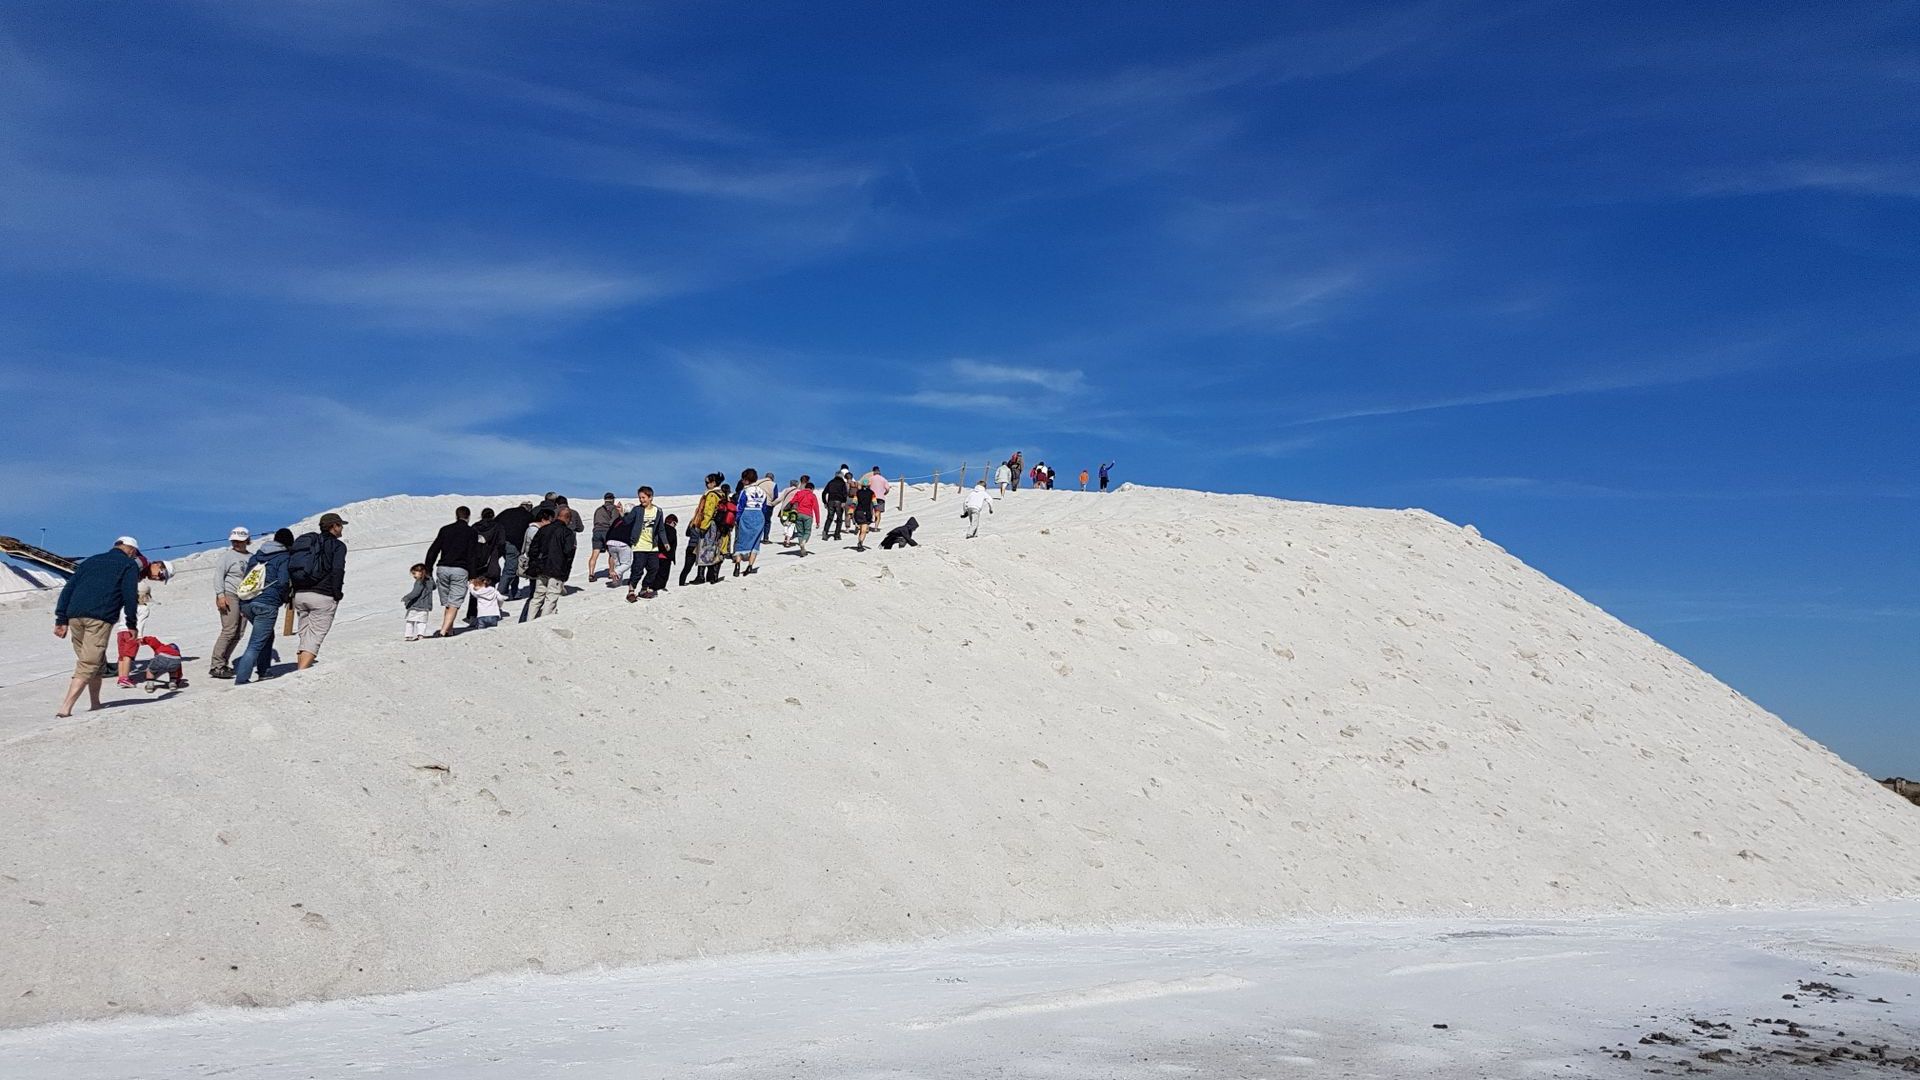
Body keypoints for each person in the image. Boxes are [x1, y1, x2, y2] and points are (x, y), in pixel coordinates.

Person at [51, 536, 142, 718]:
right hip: (99, 617)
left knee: (96, 661)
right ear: (131, 550)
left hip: (75, 615)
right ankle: (65, 708)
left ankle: (95, 703)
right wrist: (131, 623)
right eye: (134, 553)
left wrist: (61, 618)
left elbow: (68, 589)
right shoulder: (128, 564)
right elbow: (130, 595)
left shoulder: (91, 561)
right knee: (90, 662)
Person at [233, 529, 293, 686]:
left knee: (267, 636)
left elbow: (245, 579)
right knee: (255, 643)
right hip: (267, 604)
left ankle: (264, 670)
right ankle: (242, 679)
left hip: (247, 603)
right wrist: (284, 597)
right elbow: (283, 581)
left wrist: (241, 604)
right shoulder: (284, 557)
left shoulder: (256, 556)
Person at [289, 512, 347, 670]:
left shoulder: (310, 543)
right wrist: (337, 593)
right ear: (333, 526)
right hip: (323, 595)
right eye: (340, 525)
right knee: (314, 637)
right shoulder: (338, 546)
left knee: (305, 634)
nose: (342, 528)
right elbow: (337, 570)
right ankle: (301, 673)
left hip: (300, 595)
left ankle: (300, 667)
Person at [116, 560, 173, 689]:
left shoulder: (126, 605)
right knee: (128, 656)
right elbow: (140, 623)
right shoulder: (144, 608)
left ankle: (121, 676)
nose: (159, 578)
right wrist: (140, 636)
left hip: (120, 632)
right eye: (161, 575)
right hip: (132, 633)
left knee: (121, 656)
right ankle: (125, 678)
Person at [423, 506, 478, 638]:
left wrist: (428, 569)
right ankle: (443, 630)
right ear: (468, 516)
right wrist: (473, 575)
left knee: (448, 603)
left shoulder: (445, 529)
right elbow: (472, 555)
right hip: (460, 569)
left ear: (456, 515)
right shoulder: (471, 532)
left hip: (442, 569)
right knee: (454, 603)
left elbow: (433, 550)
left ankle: (450, 630)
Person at [208, 527, 252, 679]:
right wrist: (220, 595)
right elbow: (219, 576)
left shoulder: (251, 557)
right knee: (229, 629)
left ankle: (223, 663)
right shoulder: (227, 556)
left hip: (245, 596)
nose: (236, 544)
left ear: (247, 541)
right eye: (234, 541)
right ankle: (216, 664)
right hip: (230, 594)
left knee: (239, 632)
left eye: (239, 541)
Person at [526, 506, 577, 619]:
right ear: (568, 519)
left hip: (541, 567)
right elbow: (568, 552)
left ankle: (529, 621)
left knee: (538, 596)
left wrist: (535, 563)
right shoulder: (567, 533)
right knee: (551, 597)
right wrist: (566, 571)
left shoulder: (544, 529)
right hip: (556, 569)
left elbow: (533, 548)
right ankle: (544, 622)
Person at [622, 487, 666, 601]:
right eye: (640, 497)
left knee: (654, 568)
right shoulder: (637, 510)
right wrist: (622, 513)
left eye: (643, 497)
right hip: (639, 545)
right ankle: (631, 591)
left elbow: (661, 529)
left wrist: (665, 542)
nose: (641, 500)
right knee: (638, 569)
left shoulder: (658, 511)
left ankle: (644, 589)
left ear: (650, 497)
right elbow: (627, 522)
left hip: (653, 546)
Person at [689, 473, 727, 583]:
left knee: (704, 549)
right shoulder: (723, 494)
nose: (706, 484)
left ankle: (700, 576)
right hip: (721, 527)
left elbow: (708, 512)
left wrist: (703, 526)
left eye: (708, 482)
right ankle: (713, 576)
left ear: (713, 483)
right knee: (716, 550)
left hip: (711, 526)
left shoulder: (711, 495)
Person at [492, 501, 533, 600]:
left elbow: (494, 523)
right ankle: (499, 594)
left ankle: (514, 592)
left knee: (511, 567)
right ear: (529, 508)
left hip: (498, 542)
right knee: (510, 569)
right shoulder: (528, 516)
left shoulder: (506, 512)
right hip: (513, 544)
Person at [733, 468, 770, 577]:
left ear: (746, 480)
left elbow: (740, 506)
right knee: (756, 541)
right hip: (759, 516)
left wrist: (737, 519)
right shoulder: (762, 492)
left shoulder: (744, 491)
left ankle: (737, 564)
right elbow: (764, 508)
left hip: (747, 514)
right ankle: (750, 565)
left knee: (741, 540)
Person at [589, 493, 620, 581]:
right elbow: (614, 522)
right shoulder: (614, 509)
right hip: (607, 532)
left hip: (596, 531)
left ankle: (591, 574)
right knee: (612, 553)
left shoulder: (598, 509)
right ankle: (611, 572)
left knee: (595, 553)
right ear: (613, 499)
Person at [787, 477, 822, 556]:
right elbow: (816, 509)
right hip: (808, 515)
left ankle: (802, 549)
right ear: (812, 488)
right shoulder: (813, 495)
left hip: (798, 514)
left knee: (800, 533)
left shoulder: (799, 493)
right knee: (807, 532)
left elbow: (792, 501)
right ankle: (804, 542)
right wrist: (818, 521)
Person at [403, 563, 433, 641]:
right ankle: (421, 634)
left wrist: (406, 598)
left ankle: (409, 635)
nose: (414, 576)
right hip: (425, 606)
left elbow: (415, 593)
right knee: (422, 621)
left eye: (414, 573)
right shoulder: (430, 581)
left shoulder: (419, 582)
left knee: (410, 620)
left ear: (421, 572)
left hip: (415, 605)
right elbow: (434, 587)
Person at [650, 514, 679, 592]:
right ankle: (658, 587)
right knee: (663, 573)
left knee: (655, 572)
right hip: (665, 555)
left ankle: (652, 586)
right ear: (672, 522)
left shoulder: (659, 528)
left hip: (655, 553)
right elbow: (670, 542)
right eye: (675, 523)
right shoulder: (671, 530)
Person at [823, 467, 851, 541]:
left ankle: (825, 532)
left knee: (829, 517)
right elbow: (845, 493)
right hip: (839, 502)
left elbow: (824, 493)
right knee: (839, 519)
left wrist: (825, 502)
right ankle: (837, 535)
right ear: (842, 476)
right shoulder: (842, 483)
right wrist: (844, 501)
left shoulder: (830, 482)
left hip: (830, 501)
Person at [852, 481, 876, 551]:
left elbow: (854, 502)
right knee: (863, 530)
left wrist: (850, 511)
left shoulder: (857, 492)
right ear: (869, 485)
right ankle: (860, 543)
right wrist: (876, 512)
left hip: (858, 512)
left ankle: (859, 543)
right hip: (866, 512)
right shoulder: (872, 493)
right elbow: (875, 503)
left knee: (861, 529)